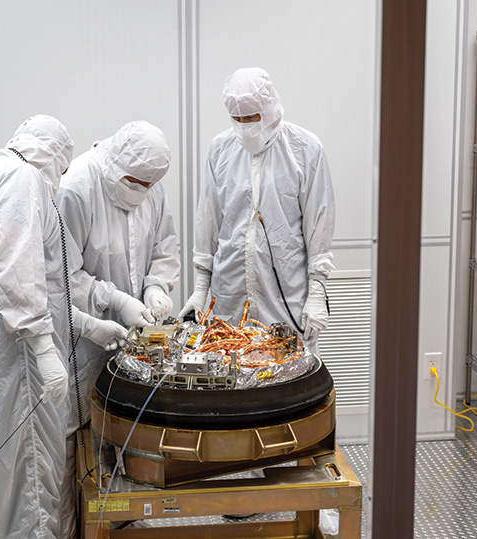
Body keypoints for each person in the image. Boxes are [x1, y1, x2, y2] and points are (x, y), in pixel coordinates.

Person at [0, 115, 127, 538]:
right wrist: (46, 351)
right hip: (18, 366)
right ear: (54, 158)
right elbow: (17, 274)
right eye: (62, 171)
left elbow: (21, 286)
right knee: (30, 492)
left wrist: (87, 325)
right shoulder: (23, 179)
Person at [54, 120, 178, 536]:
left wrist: (156, 286)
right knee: (80, 437)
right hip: (83, 337)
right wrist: (116, 301)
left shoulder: (150, 184)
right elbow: (63, 274)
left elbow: (164, 246)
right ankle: (77, 527)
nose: (142, 191)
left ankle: (125, 521)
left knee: (128, 429)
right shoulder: (78, 188)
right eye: (135, 183)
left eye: (149, 185)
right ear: (116, 164)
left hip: (134, 341)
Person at [179, 67, 335, 352]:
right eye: (237, 119)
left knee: (288, 366)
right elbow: (208, 218)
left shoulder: (305, 149)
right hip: (230, 292)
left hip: (286, 294)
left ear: (270, 108)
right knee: (230, 363)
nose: (244, 126)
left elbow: (319, 221)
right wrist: (201, 287)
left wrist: (317, 289)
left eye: (251, 118)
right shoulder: (220, 149)